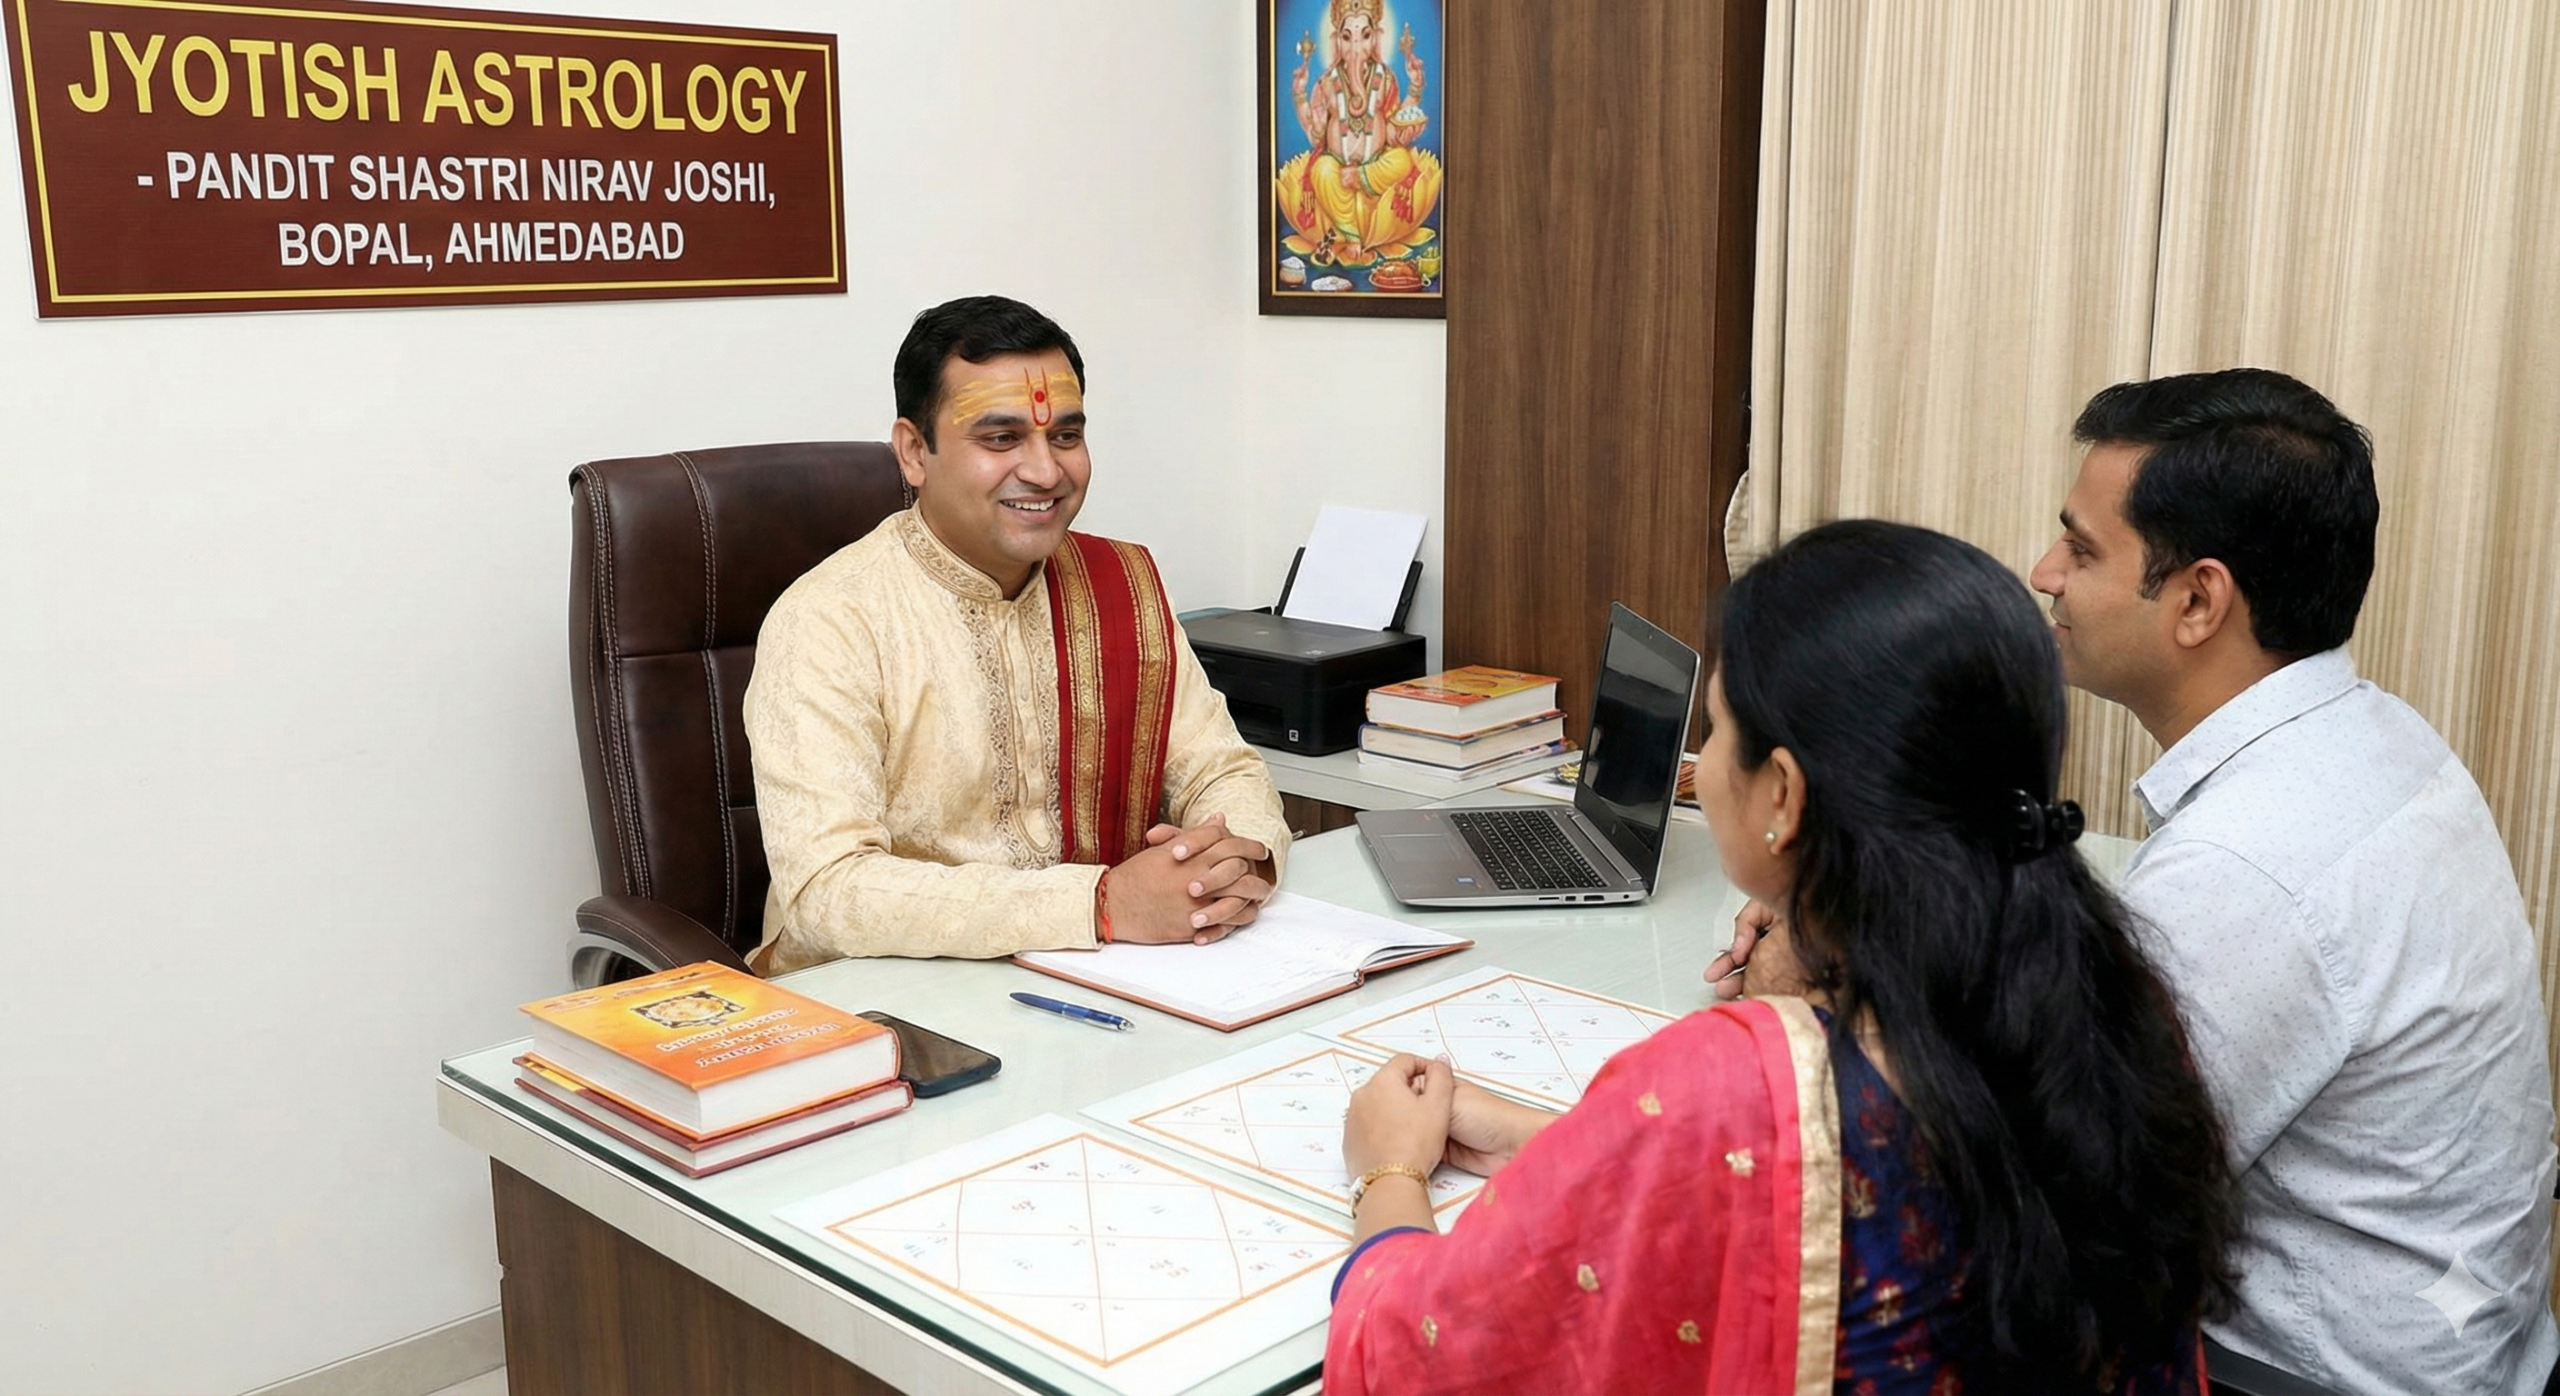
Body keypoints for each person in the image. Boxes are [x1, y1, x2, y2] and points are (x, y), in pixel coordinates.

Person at [1332, 520, 2240, 1393]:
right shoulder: (2108, 993)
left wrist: (1390, 1170)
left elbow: (1414, 1360)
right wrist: (1567, 1148)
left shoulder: (1742, 1086)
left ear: (1784, 794)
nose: (1703, 758)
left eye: (1718, 729)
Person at [2018, 368, 2554, 1391]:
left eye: (2081, 548)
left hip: (2298, 1373)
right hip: (2481, 1344)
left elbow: (2069, 1187)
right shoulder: (2380, 739)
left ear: (2196, 599)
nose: (2045, 572)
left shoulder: (2246, 865)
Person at [743, 295, 1289, 968]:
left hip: (1109, 981)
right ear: (915, 453)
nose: (1045, 471)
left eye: (1065, 435)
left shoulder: (1123, 582)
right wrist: (1100, 904)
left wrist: (1232, 865)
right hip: (882, 1011)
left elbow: (1223, 769)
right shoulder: (831, 620)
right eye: (1001, 439)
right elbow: (828, 891)